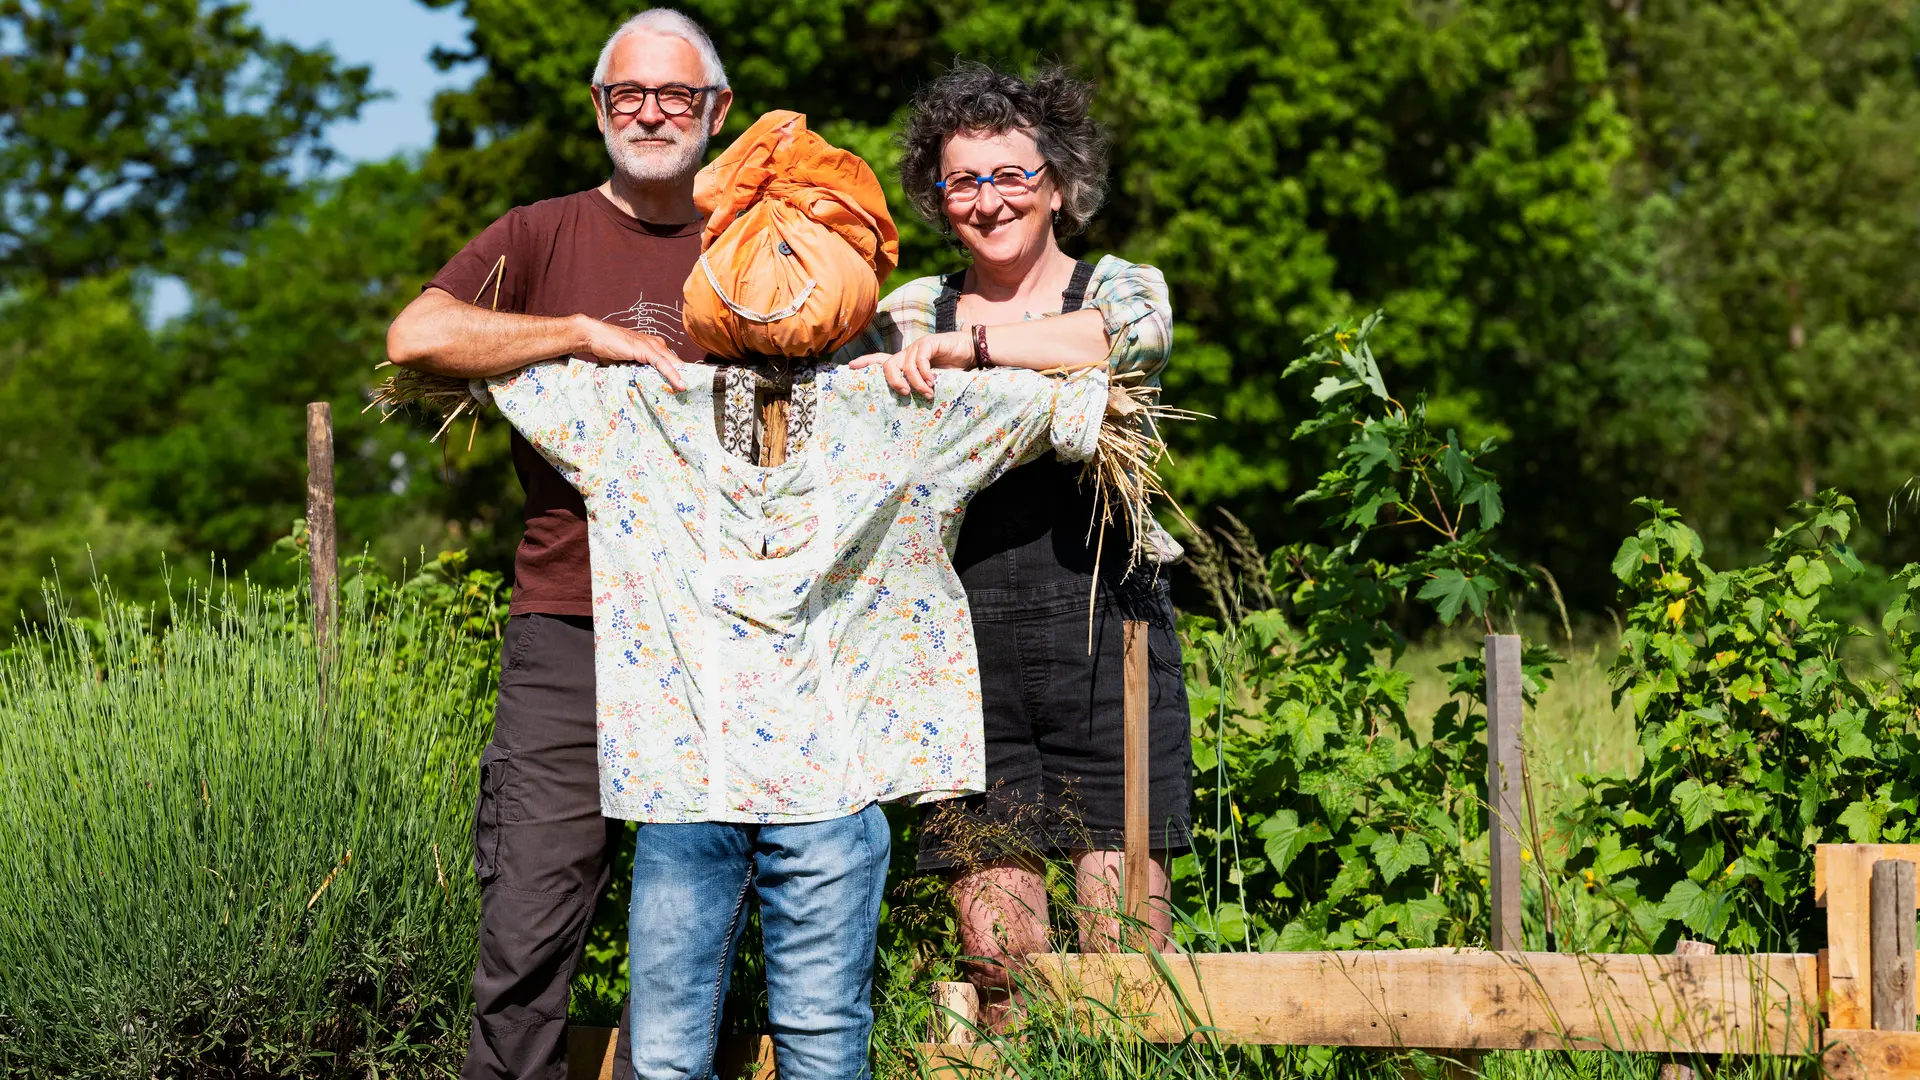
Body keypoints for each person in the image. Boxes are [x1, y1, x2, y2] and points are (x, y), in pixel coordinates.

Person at [384, 10, 727, 1079]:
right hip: (568, 624)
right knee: (529, 921)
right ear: (598, 109)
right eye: (629, 95)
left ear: (716, 110)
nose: (652, 113)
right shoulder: (540, 234)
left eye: (676, 95)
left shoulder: (759, 238)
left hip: (727, 631)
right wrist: (579, 332)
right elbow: (418, 334)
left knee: (705, 926)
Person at [839, 62, 1193, 1021]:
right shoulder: (906, 313)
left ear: (1059, 184)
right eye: (964, 181)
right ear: (938, 198)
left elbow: (1119, 346)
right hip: (960, 652)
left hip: (1108, 635)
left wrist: (977, 351)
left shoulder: (1118, 288)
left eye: (1010, 176)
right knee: (999, 957)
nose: (988, 202)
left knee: (1126, 958)